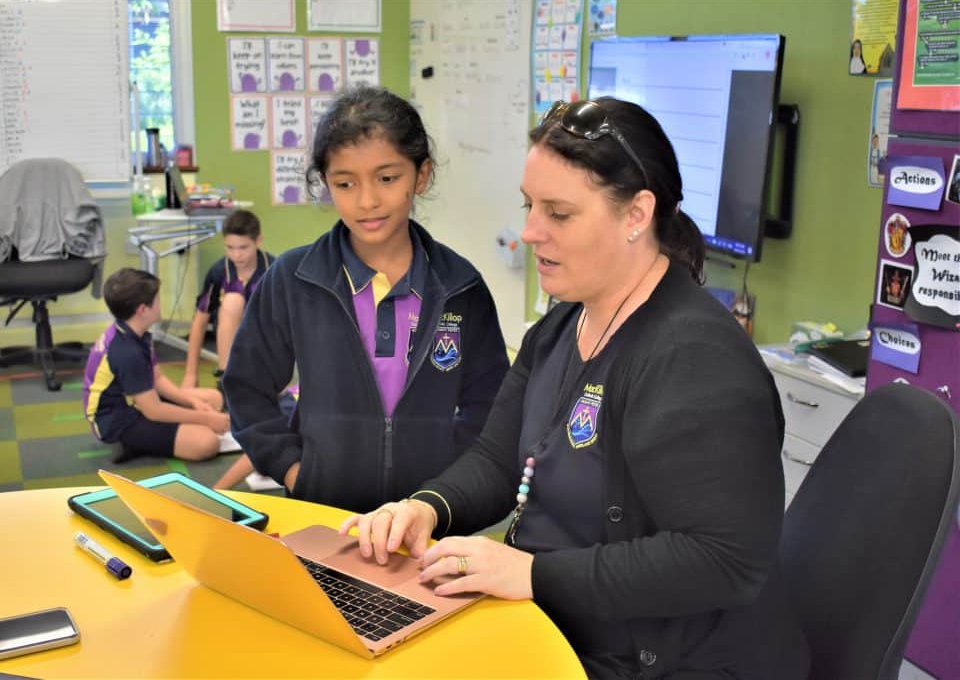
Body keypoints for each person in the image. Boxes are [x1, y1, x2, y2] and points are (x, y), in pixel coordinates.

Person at [343, 98, 810, 678]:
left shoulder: (695, 361)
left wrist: (532, 575)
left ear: (637, 214)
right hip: (560, 621)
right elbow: (498, 458)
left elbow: (723, 560)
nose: (530, 232)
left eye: (558, 214)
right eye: (529, 206)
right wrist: (428, 508)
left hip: (661, 659)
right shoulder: (566, 321)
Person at [223, 86, 510, 513]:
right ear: (326, 183)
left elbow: (490, 409)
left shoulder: (461, 287)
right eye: (345, 183)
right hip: (324, 515)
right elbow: (246, 387)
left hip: (428, 523)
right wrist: (293, 470)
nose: (368, 201)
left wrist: (446, 491)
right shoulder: (293, 280)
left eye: (387, 178)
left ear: (422, 174)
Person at [84, 268, 229, 462]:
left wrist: (193, 404)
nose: (161, 304)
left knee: (213, 399)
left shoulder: (135, 329)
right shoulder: (127, 352)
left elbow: (157, 378)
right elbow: (154, 411)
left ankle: (161, 435)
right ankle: (134, 443)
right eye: (158, 300)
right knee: (207, 443)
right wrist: (206, 419)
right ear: (143, 310)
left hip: (140, 399)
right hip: (118, 420)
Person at [181, 209, 275, 388]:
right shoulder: (218, 272)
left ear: (258, 241)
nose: (236, 255)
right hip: (230, 338)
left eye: (243, 247)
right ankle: (226, 380)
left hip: (264, 341)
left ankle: (269, 379)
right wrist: (190, 375)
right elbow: (200, 322)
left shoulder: (273, 269)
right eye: (230, 248)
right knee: (232, 301)